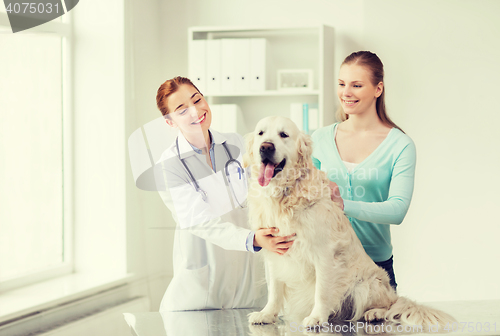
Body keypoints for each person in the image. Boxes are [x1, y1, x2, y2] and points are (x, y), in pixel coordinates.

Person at [155, 76, 295, 312]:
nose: (195, 111)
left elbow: (268, 185)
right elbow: (200, 222)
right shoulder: (169, 165)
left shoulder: (235, 143)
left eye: (197, 100)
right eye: (181, 110)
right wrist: (253, 239)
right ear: (170, 122)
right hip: (200, 293)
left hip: (248, 284)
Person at [311, 51, 416, 291]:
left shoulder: (400, 145)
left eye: (357, 85)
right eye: (341, 84)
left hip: (374, 268)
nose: (346, 93)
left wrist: (343, 204)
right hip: (325, 264)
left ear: (378, 89)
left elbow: (397, 209)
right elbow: (305, 198)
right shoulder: (320, 139)